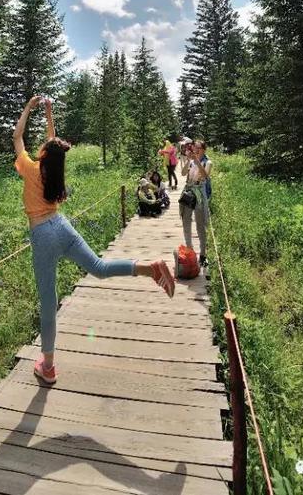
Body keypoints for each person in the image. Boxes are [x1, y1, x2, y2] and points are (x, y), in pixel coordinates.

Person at [13, 96, 175, 384]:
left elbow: (17, 136)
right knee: (99, 267)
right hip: (62, 226)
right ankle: (149, 267)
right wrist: (49, 113)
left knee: (48, 303)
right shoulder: (53, 169)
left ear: (44, 153)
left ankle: (47, 366)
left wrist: (29, 107)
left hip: (42, 235)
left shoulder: (32, 168)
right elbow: (52, 143)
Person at [179, 139, 212, 267]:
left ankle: (203, 254)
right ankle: (190, 250)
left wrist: (196, 160)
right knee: (186, 221)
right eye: (194, 147)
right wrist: (188, 160)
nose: (195, 149)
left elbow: (205, 176)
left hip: (199, 195)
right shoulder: (192, 161)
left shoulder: (207, 162)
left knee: (200, 225)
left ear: (203, 149)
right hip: (188, 192)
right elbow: (182, 173)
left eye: (198, 147)